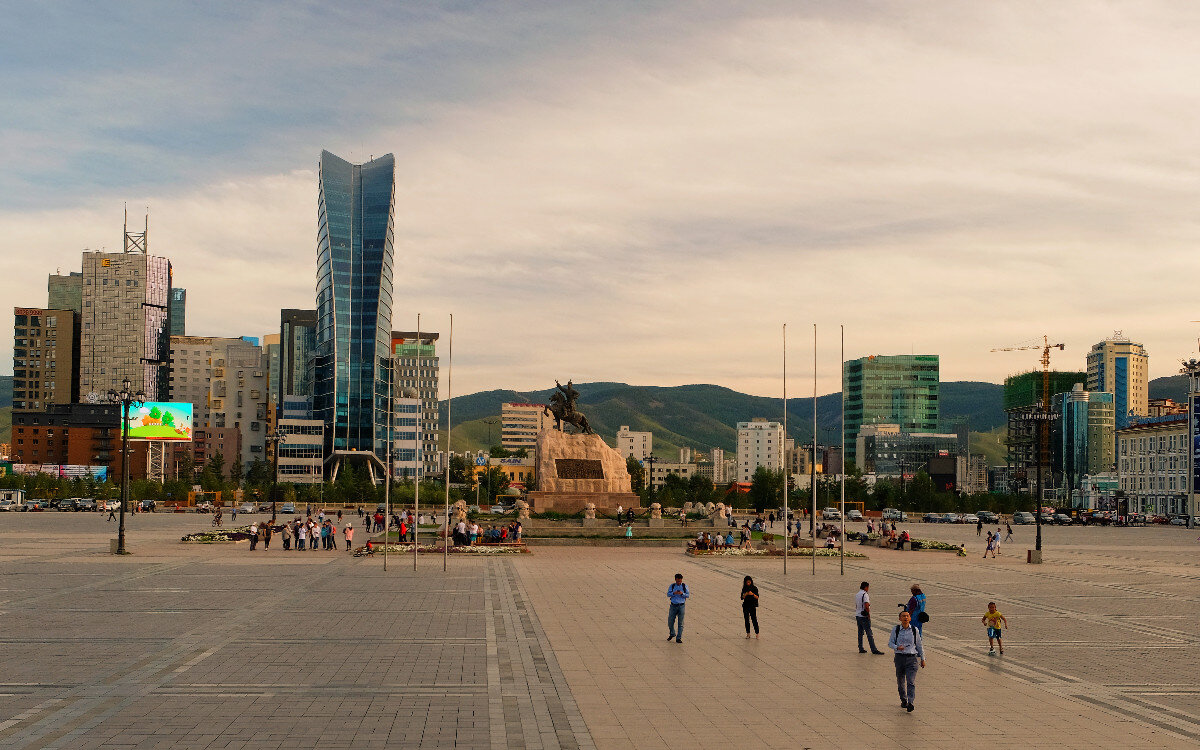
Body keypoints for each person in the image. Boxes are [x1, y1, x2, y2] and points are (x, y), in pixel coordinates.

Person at [888, 610, 925, 712]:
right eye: (903, 616)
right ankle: (903, 699)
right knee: (900, 681)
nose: (905, 618)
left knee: (911, 681)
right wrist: (896, 647)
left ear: (910, 618)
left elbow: (919, 645)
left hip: (912, 659)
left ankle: (911, 702)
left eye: (907, 616)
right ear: (900, 618)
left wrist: (922, 659)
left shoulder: (914, 630)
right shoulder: (896, 630)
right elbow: (890, 643)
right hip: (899, 658)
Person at [855, 582, 885, 655]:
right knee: (869, 633)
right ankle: (874, 649)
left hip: (858, 615)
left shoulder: (857, 594)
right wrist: (868, 615)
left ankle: (861, 648)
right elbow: (866, 605)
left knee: (860, 632)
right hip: (864, 616)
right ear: (866, 587)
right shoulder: (865, 595)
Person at [666, 573, 689, 643]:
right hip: (673, 606)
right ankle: (672, 633)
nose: (679, 582)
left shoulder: (685, 586)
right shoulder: (672, 586)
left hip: (681, 606)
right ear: (675, 580)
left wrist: (682, 593)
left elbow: (688, 595)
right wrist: (674, 593)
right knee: (670, 621)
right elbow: (668, 594)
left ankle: (678, 638)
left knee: (680, 623)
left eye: (680, 581)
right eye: (677, 581)